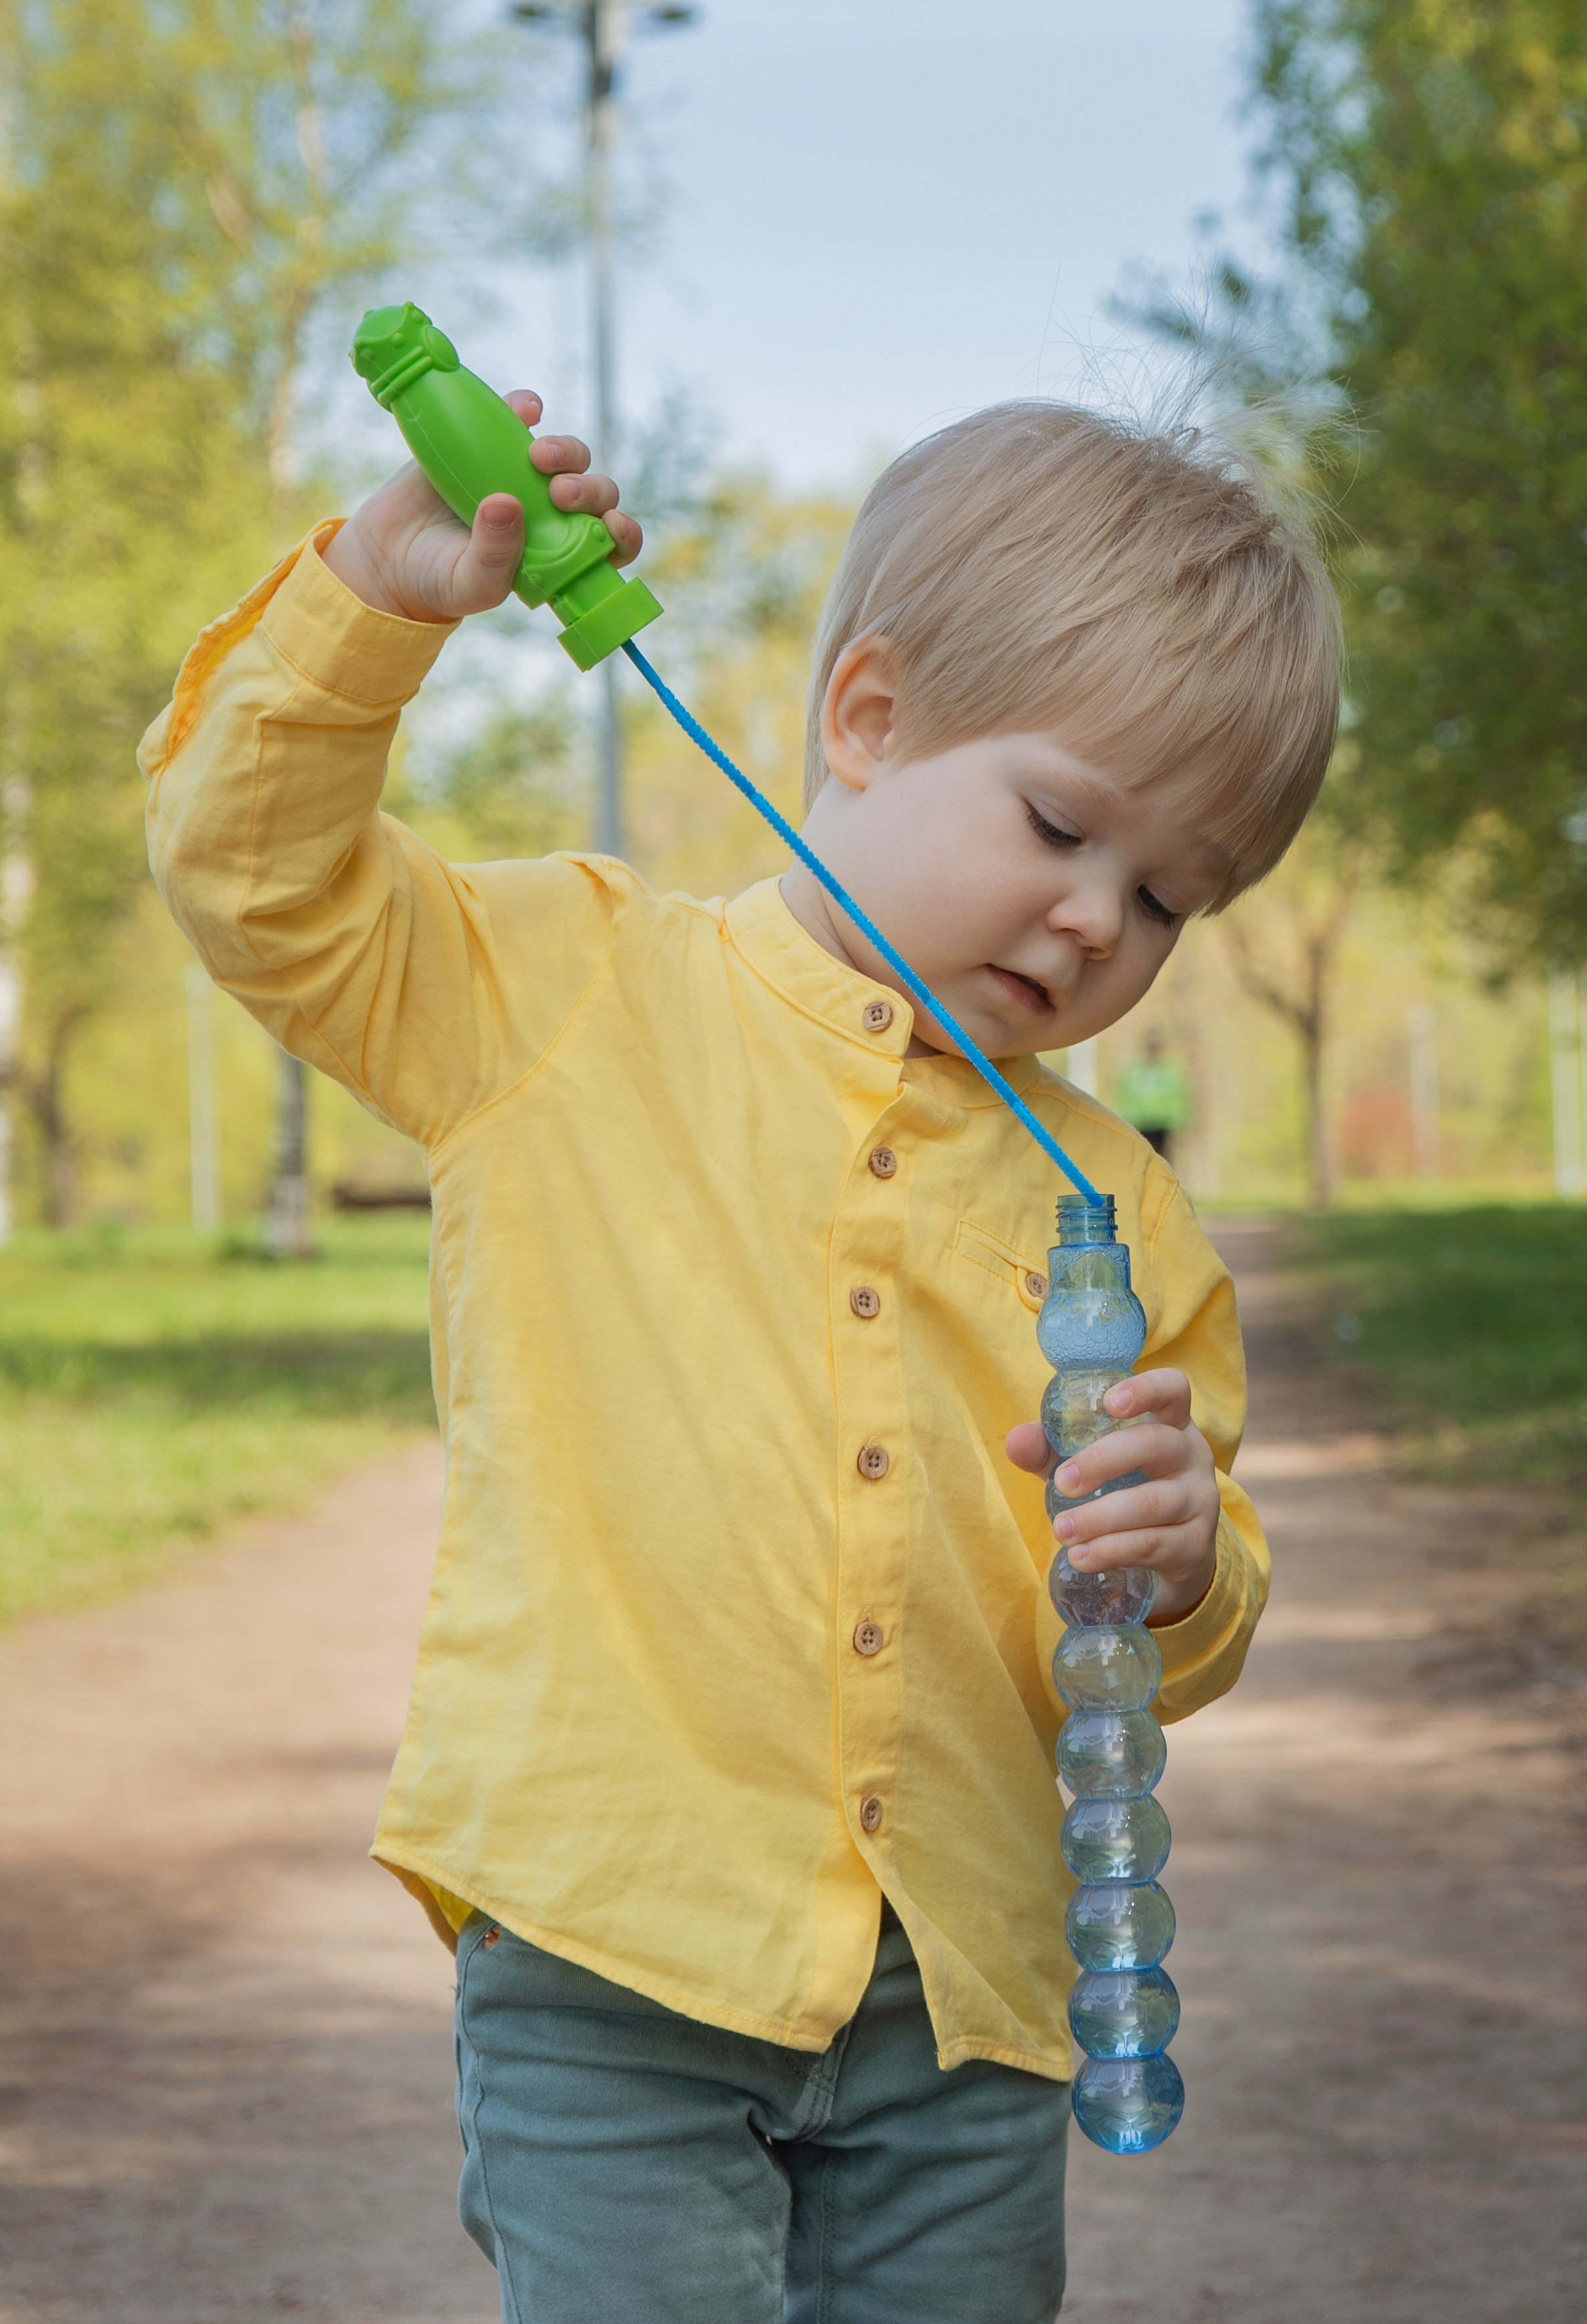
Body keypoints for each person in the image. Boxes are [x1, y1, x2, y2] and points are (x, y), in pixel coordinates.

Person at [139, 391, 1339, 2324]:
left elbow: (1129, 1656)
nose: (1092, 917)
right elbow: (256, 883)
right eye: (1056, 823)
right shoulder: (566, 996)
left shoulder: (1119, 1221)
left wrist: (1184, 1568)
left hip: (956, 2007)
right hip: (613, 1944)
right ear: (862, 719)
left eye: (1167, 895)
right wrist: (378, 597)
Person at [1116, 1030, 1195, 1165]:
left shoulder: (1170, 1070)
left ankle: (1162, 1185)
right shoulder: (1135, 1071)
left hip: (1163, 1123)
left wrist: (1181, 1121)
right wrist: (1125, 1120)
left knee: (1163, 1160)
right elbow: (1125, 1096)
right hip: (1140, 1123)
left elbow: (1179, 1096)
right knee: (1142, 1159)